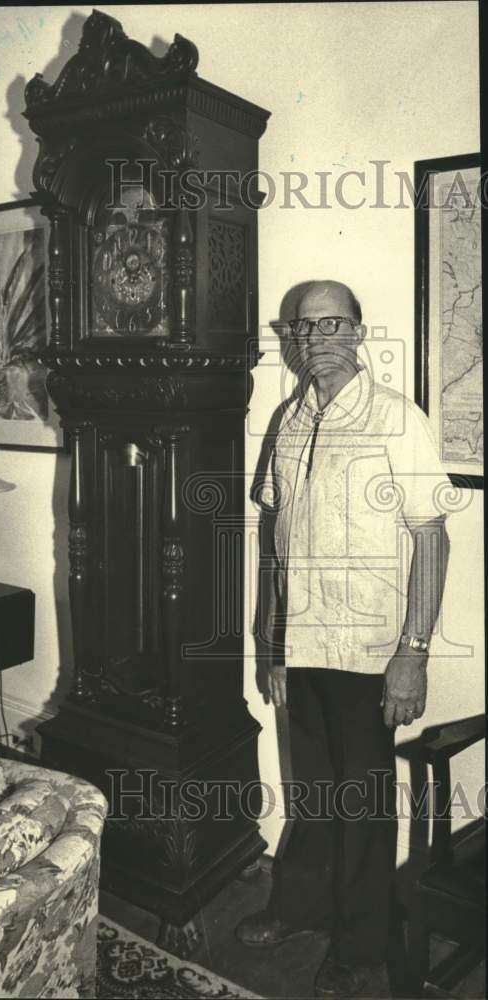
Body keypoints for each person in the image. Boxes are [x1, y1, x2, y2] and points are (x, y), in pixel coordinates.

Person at [236, 280, 451, 998]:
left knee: (359, 802)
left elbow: (432, 538)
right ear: (290, 339)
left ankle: (361, 949)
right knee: (314, 792)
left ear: (359, 333)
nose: (318, 336)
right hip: (301, 645)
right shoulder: (289, 419)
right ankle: (297, 907)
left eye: (334, 323)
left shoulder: (398, 419)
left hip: (369, 652)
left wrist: (412, 654)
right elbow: (277, 535)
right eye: (304, 326)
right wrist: (272, 641)